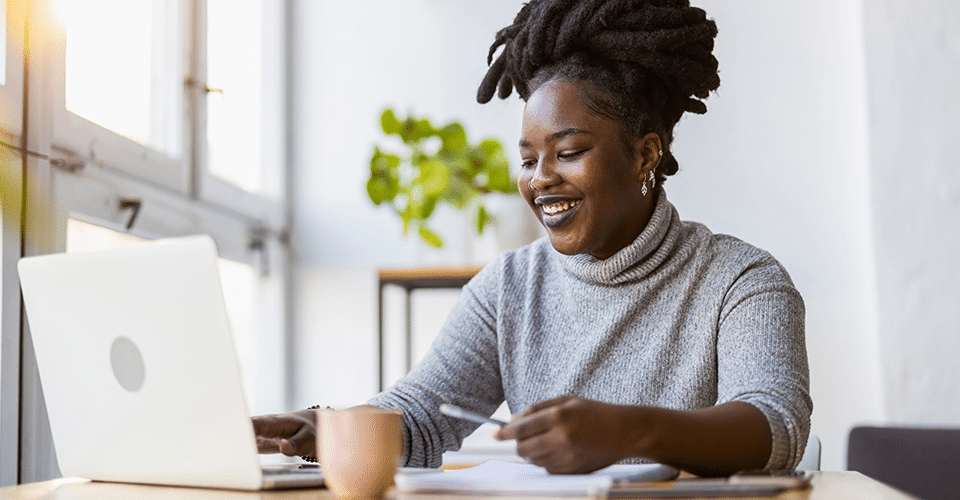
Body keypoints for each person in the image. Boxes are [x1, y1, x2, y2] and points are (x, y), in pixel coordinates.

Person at [254, 0, 811, 477]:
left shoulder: (740, 279)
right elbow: (424, 416)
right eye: (528, 159)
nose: (541, 177)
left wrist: (628, 432)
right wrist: (326, 426)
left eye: (568, 153)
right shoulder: (509, 286)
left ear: (645, 154)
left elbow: (775, 426)